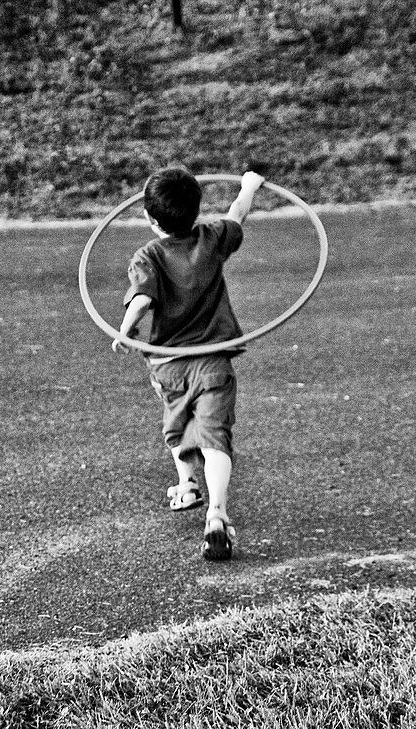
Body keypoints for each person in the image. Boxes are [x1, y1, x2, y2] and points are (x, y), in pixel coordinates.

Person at [112, 167, 264, 560]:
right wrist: (249, 184)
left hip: (169, 364)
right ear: (197, 211)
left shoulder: (147, 256)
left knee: (177, 427)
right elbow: (238, 213)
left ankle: (187, 484)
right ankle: (217, 512)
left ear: (149, 217)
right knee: (215, 436)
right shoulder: (213, 237)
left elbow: (143, 299)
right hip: (213, 361)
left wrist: (125, 331)